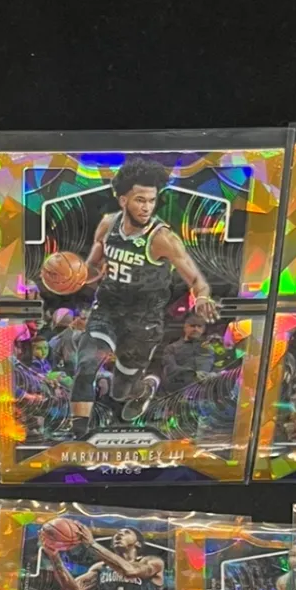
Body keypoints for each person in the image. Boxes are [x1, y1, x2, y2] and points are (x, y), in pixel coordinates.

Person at [68, 158, 217, 439]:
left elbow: (197, 281)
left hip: (143, 321)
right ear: (123, 200)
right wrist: (74, 276)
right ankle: (78, 435)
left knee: (121, 391)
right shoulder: (108, 225)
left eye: (151, 200)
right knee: (86, 364)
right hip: (107, 309)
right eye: (140, 200)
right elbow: (93, 269)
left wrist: (202, 298)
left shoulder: (163, 238)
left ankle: (144, 388)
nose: (147, 207)